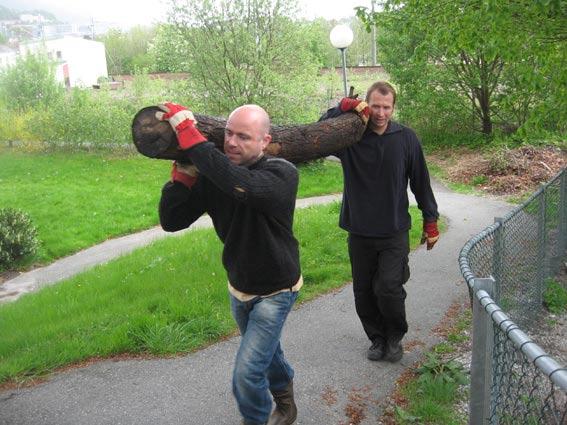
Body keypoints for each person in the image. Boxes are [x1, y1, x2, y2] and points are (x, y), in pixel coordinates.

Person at [157, 102, 301, 425]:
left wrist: (193, 141)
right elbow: (172, 221)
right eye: (228, 133)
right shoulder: (215, 178)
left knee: (247, 374)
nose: (232, 142)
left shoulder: (281, 174)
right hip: (239, 285)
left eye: (244, 137)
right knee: (266, 350)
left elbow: (243, 186)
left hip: (277, 288)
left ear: (265, 141)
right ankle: (287, 400)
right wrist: (181, 180)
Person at [319, 81, 439, 363]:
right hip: (359, 230)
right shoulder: (351, 137)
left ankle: (394, 336)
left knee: (388, 287)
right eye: (375, 106)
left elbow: (421, 182)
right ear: (367, 106)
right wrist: (341, 107)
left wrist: (430, 219)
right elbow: (319, 133)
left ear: (393, 107)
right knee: (363, 291)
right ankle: (377, 338)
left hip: (394, 229)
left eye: (386, 107)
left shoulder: (406, 138)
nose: (381, 113)